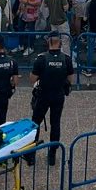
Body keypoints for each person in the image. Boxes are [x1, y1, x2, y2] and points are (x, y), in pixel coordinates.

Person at [30, 32, 74, 165]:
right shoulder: (66, 59)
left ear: (48, 42)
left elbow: (32, 78)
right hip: (58, 95)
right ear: (59, 41)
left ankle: (31, 154)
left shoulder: (41, 59)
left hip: (43, 95)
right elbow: (70, 79)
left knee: (35, 123)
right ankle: (52, 154)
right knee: (55, 124)